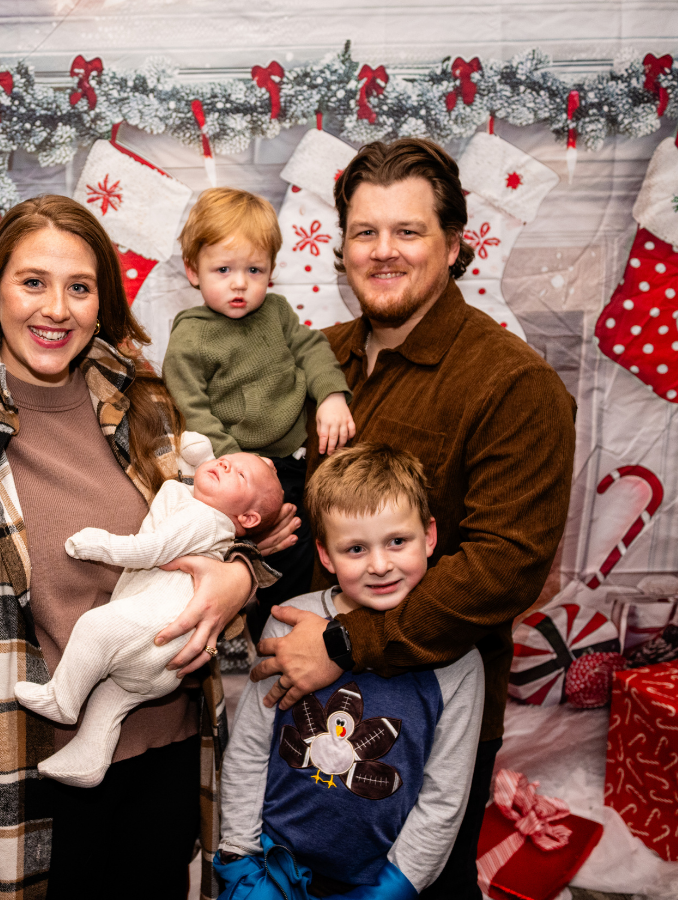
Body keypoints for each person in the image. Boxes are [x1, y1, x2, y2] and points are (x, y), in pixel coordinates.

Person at [0, 194, 294, 899]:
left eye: (79, 287)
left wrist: (237, 581)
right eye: (32, 282)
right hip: (31, 754)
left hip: (165, 745)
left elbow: (238, 530)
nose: (56, 310)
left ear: (102, 303)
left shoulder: (147, 401)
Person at [251, 137, 576, 899]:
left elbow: (503, 568)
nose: (383, 252)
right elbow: (270, 505)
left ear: (455, 245)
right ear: (341, 247)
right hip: (295, 710)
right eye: (365, 232)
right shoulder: (314, 361)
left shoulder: (511, 383)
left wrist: (343, 642)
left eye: (408, 231)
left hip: (426, 723)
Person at [219, 444, 483, 900]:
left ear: (430, 537)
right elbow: (249, 747)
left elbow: (445, 796)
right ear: (325, 554)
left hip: (372, 880)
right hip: (271, 866)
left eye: (397, 541)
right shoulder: (290, 622)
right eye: (356, 548)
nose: (380, 565)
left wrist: (397, 885)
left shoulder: (459, 659)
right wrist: (239, 854)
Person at [16, 449, 285, 788]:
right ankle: (88, 758)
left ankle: (62, 699)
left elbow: (152, 549)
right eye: (226, 460)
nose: (225, 465)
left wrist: (98, 544)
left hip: (155, 633)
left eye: (240, 475)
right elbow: (191, 471)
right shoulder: (205, 515)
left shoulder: (202, 517)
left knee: (94, 626)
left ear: (247, 520)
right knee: (110, 699)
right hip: (165, 662)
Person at [163, 187, 355, 635]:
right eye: (223, 269)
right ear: (193, 271)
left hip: (296, 463)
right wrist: (238, 468)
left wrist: (330, 394)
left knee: (310, 547)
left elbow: (312, 349)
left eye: (254, 270)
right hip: (239, 476)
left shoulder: (276, 312)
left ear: (271, 271)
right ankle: (275, 637)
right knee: (272, 558)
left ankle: (313, 630)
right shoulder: (191, 338)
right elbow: (194, 411)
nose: (239, 283)